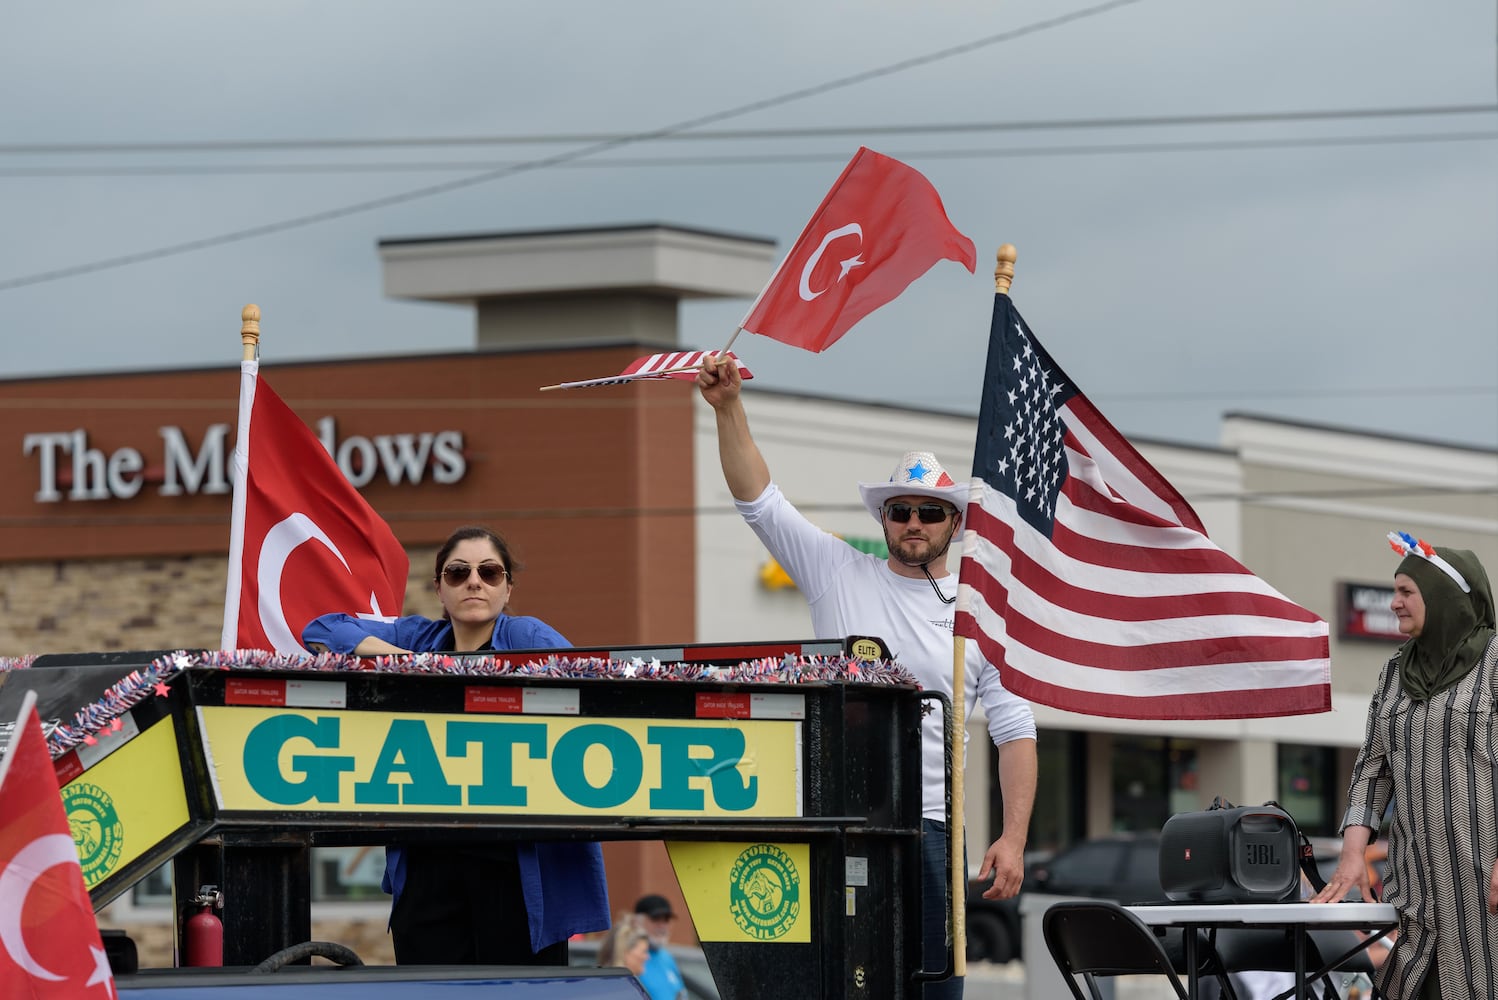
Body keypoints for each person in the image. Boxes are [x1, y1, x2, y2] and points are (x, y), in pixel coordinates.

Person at [697, 357, 1038, 998]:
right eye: (901, 509)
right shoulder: (837, 570)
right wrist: (727, 409)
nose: (914, 522)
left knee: (936, 985)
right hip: (836, 817)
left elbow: (1016, 730)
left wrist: (1014, 837)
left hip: (933, 826)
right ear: (883, 520)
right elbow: (759, 502)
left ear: (954, 525)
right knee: (843, 983)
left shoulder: (981, 613)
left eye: (931, 512)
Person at [302, 525, 611, 965]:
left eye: (489, 572)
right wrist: (404, 663)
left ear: (507, 589)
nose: (474, 582)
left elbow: (597, 688)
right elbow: (323, 629)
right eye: (458, 572)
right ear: (439, 590)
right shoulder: (418, 639)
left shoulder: (528, 637)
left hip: (513, 864)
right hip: (428, 857)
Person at [1311, 534, 1498, 999]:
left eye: (1406, 592)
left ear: (1444, 597)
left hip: (1486, 895)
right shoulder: (1395, 672)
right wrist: (1352, 855)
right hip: (1415, 897)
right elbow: (1372, 772)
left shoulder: (1495, 663)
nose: (1394, 603)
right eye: (1393, 591)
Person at [633, 893, 686, 1000]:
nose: (662, 925)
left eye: (666, 919)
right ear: (638, 922)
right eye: (656, 918)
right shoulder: (630, 956)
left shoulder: (666, 956)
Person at [597, 913, 652, 979]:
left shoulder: (602, 983)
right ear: (624, 952)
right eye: (644, 951)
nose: (647, 957)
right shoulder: (615, 987)